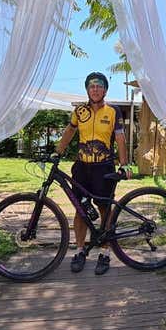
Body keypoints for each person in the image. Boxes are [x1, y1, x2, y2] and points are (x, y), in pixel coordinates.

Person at [55, 72, 132, 276]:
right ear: (87, 90)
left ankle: (105, 252)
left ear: (105, 90)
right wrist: (57, 152)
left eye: (99, 86)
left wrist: (124, 164)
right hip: (82, 167)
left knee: (104, 208)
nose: (95, 89)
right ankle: (80, 250)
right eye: (91, 86)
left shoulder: (113, 111)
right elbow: (70, 132)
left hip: (103, 167)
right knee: (80, 209)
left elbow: (120, 139)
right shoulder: (79, 111)